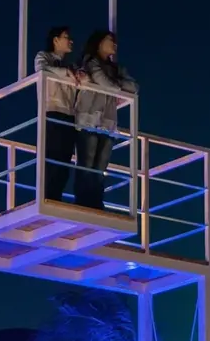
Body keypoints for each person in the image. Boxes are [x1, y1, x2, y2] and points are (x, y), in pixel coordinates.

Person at [75, 30, 138, 210]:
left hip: (108, 122)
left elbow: (134, 87)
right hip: (89, 119)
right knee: (87, 163)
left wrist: (116, 85)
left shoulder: (117, 68)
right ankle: (83, 202)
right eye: (110, 40)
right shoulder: (91, 62)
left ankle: (96, 202)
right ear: (99, 43)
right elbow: (105, 83)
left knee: (101, 165)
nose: (114, 44)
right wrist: (118, 86)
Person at [34, 26, 85, 202]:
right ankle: (48, 197)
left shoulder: (71, 65)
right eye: (66, 37)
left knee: (65, 160)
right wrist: (66, 74)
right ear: (55, 40)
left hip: (69, 115)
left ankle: (56, 197)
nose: (70, 41)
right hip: (53, 112)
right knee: (53, 156)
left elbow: (82, 80)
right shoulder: (44, 57)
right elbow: (42, 70)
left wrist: (75, 74)